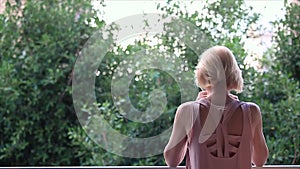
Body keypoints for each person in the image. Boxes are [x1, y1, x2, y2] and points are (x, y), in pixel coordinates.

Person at [164, 46, 268, 169]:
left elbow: (172, 160)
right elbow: (260, 160)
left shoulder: (187, 111)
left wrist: (194, 115)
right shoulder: (251, 112)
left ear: (203, 74)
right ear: (234, 73)